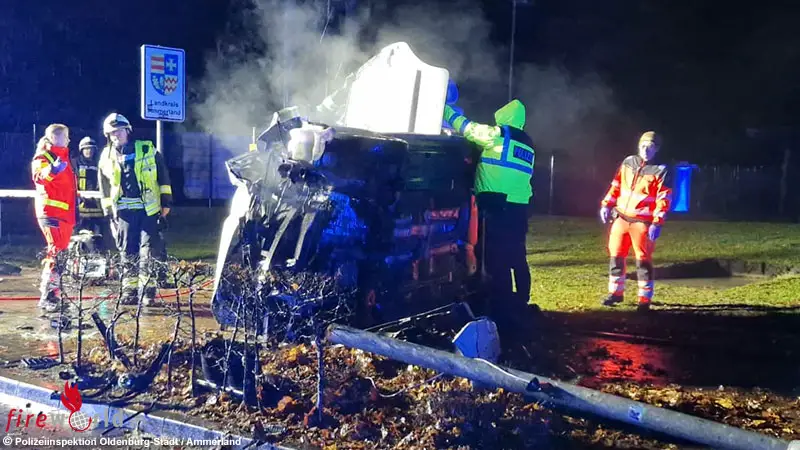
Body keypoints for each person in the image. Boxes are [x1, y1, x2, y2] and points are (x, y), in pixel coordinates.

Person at [442, 99, 537, 333]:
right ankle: (521, 300)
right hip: (519, 209)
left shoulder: (498, 135)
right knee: (517, 257)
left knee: (496, 260)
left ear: (504, 116)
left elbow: (467, 128)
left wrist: (445, 108)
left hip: (497, 207)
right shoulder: (527, 143)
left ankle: (501, 309)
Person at [98, 113, 173, 306]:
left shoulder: (147, 148)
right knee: (127, 250)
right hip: (124, 211)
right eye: (112, 132)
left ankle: (148, 292)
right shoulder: (106, 156)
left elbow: (163, 176)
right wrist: (108, 211)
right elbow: (104, 185)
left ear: (127, 131)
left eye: (119, 131)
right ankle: (129, 291)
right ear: (108, 135)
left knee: (149, 251)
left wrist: (166, 203)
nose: (116, 135)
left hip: (148, 209)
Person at [599, 131, 672, 312]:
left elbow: (663, 199)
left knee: (643, 261)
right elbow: (616, 185)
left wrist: (657, 223)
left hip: (642, 223)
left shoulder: (661, 170)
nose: (646, 150)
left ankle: (644, 300)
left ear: (657, 149)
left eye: (650, 147)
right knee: (616, 256)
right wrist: (606, 204)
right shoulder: (628, 163)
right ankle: (615, 293)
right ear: (639, 146)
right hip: (621, 218)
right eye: (643, 146)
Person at [31, 124, 77, 312]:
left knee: (60, 254)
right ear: (55, 138)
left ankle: (55, 294)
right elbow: (39, 176)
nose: (69, 140)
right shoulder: (44, 157)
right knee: (56, 253)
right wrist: (52, 170)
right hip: (51, 213)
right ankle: (48, 296)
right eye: (66, 136)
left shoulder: (64, 157)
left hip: (64, 214)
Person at [72, 136, 114, 252]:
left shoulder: (99, 163)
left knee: (98, 234)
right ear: (81, 150)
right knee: (79, 233)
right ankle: (79, 253)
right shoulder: (75, 163)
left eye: (91, 149)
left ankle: (98, 253)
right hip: (80, 205)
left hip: (97, 205)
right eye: (86, 149)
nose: (89, 151)